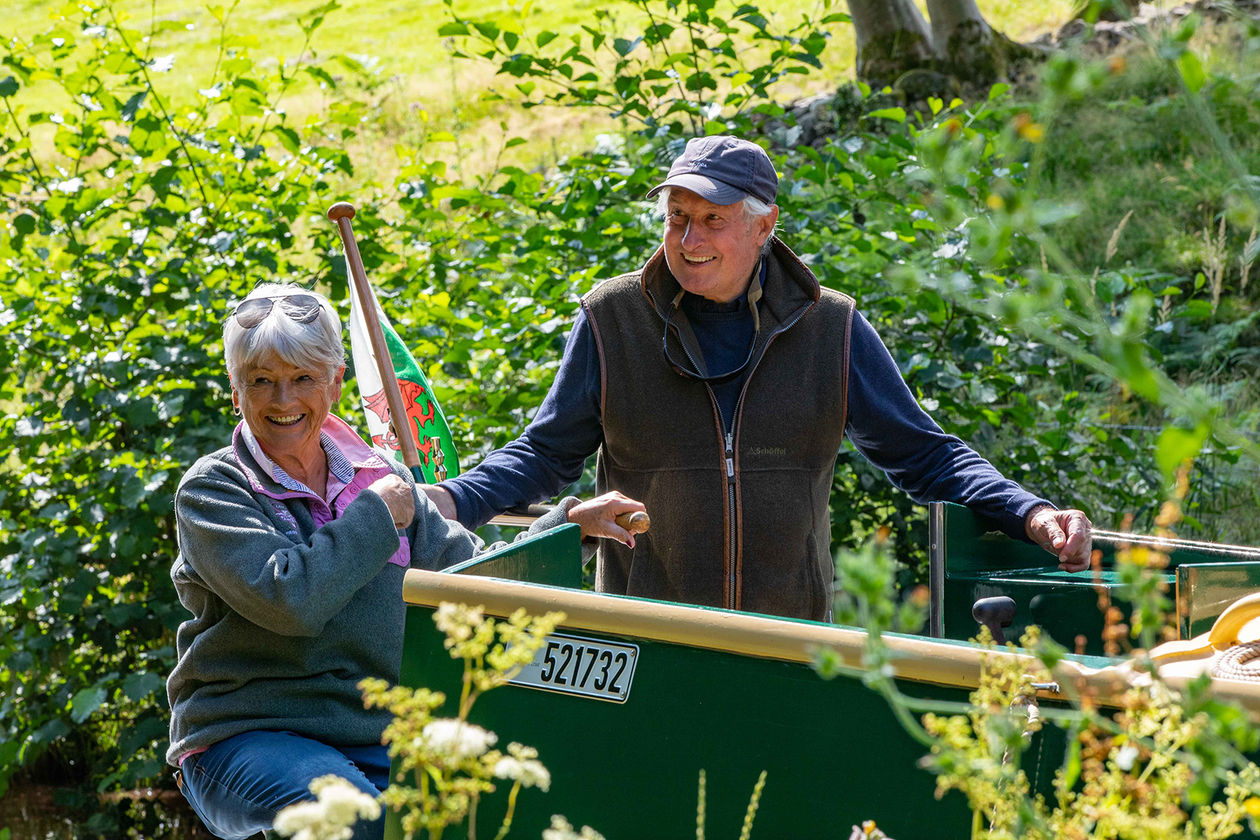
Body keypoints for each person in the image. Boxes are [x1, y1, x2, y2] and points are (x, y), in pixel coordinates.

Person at [423, 135, 1092, 623]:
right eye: (676, 218)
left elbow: (925, 454)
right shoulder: (613, 319)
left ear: (764, 225)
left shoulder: (830, 329)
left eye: (713, 220)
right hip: (645, 640)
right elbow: (542, 454)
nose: (689, 240)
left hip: (790, 645)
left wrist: (1030, 512)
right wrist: (445, 502)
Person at [166, 283, 642, 840]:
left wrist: (565, 529)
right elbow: (290, 601)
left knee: (498, 816)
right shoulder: (216, 489)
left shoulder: (381, 481)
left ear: (335, 382)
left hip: (375, 735)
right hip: (243, 735)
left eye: (302, 379)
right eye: (262, 381)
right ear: (236, 391)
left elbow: (476, 582)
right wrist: (375, 517)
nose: (283, 399)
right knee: (360, 823)